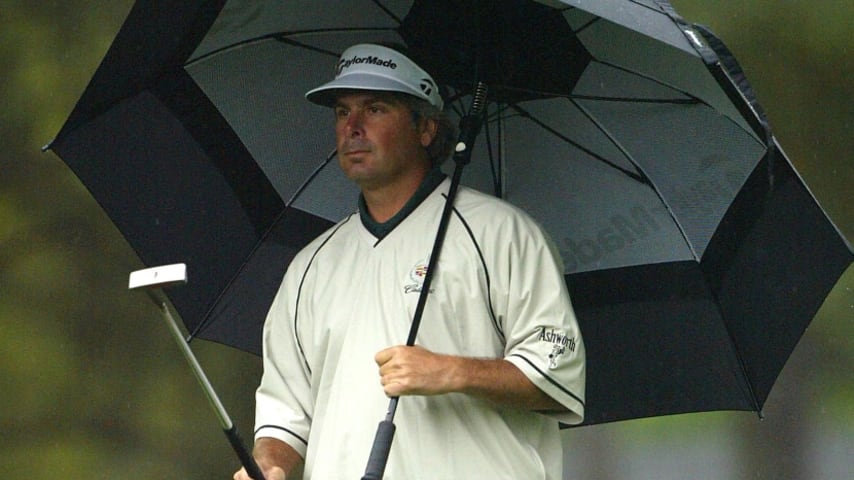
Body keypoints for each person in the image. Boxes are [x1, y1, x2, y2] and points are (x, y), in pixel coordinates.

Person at [234, 43, 585, 480]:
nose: (353, 128)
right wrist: (268, 465)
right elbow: (285, 414)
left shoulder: (503, 234)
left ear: (426, 129)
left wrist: (452, 371)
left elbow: (556, 375)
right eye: (343, 112)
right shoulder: (311, 265)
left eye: (376, 109)